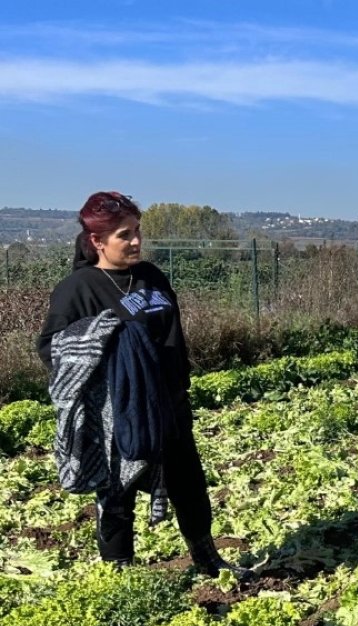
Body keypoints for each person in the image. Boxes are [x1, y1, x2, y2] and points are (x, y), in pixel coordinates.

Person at [37, 191, 250, 579]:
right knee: (116, 494)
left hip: (169, 402)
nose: (136, 241)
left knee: (188, 484)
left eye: (137, 231)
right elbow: (52, 347)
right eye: (124, 235)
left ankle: (207, 559)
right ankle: (120, 572)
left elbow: (172, 335)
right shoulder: (78, 288)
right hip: (117, 413)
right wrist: (102, 340)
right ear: (97, 242)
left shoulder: (151, 276)